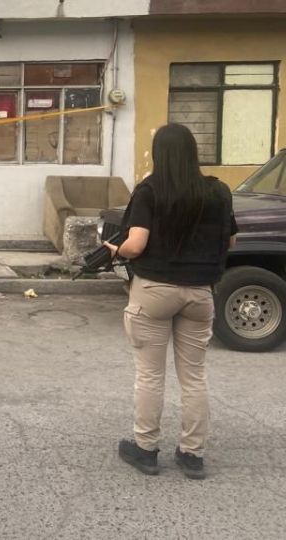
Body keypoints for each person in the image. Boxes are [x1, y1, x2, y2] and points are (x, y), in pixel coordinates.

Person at [105, 123, 237, 481]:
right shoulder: (218, 191)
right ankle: (193, 455)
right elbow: (231, 243)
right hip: (199, 293)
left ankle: (146, 450)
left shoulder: (150, 190)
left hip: (154, 291)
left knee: (150, 374)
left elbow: (136, 245)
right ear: (193, 152)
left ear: (159, 153)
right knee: (194, 376)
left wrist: (114, 250)